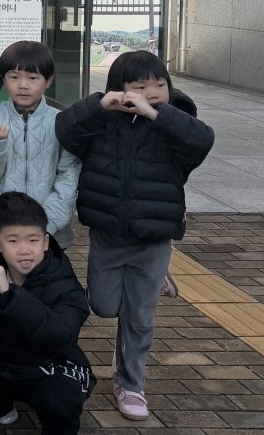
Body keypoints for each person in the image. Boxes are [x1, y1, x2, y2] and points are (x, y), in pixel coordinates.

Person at [56, 51, 213, 422]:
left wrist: (157, 115)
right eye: (140, 86)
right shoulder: (104, 122)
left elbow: (202, 140)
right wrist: (99, 105)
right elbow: (65, 130)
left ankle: (130, 383)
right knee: (103, 306)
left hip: (154, 237)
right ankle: (158, 280)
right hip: (108, 234)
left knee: (139, 317)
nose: (152, 92)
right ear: (120, 89)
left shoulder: (176, 122)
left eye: (159, 84)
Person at [0, 192, 95, 435]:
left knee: (62, 398)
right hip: (3, 363)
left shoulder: (63, 280)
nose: (25, 250)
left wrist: (9, 294)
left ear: (45, 242)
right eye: (13, 241)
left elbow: (58, 334)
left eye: (33, 240)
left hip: (48, 366)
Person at [0, 41, 80, 249]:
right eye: (14, 77)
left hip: (49, 233)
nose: (23, 85)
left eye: (32, 78)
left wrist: (46, 225)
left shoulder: (62, 122)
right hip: (1, 230)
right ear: (3, 79)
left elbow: (69, 178)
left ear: (48, 80)